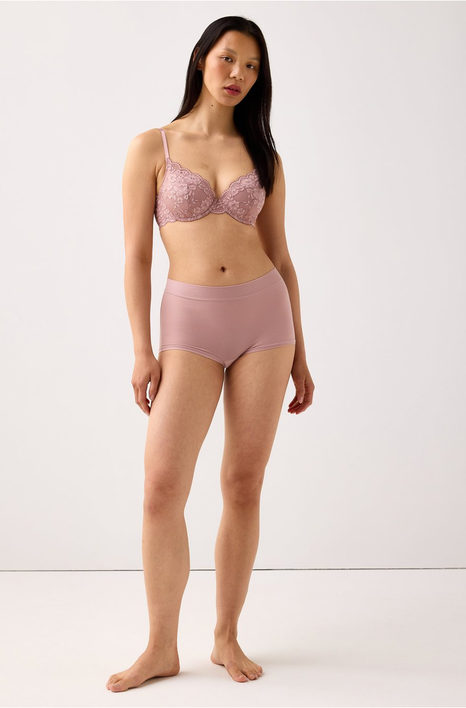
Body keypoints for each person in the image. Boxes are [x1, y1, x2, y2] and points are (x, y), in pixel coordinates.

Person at [107, 15, 315, 693]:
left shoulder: (265, 157)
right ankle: (161, 646)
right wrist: (142, 350)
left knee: (243, 484)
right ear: (202, 59)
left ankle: (226, 636)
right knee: (162, 488)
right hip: (189, 326)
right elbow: (137, 257)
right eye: (229, 59)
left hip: (265, 323)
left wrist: (302, 354)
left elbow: (282, 257)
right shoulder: (153, 146)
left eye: (252, 67)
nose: (238, 75)